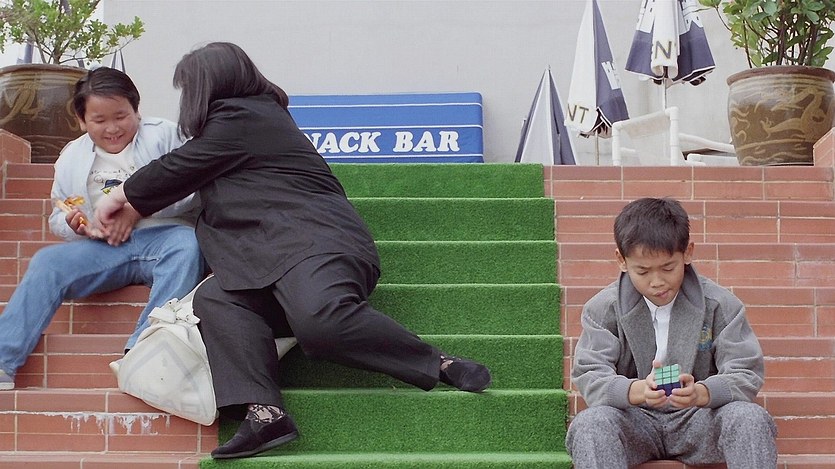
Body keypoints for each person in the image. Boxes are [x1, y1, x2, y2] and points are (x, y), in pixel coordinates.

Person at [94, 42, 492, 460]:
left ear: (208, 86)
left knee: (321, 321)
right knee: (216, 298)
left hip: (316, 244)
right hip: (268, 261)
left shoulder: (248, 114)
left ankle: (439, 363)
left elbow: (179, 166)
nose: (186, 98)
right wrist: (135, 209)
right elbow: (190, 175)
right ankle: (265, 414)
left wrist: (119, 196)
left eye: (188, 88)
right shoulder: (237, 130)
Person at [0, 67, 205, 391]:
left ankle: (143, 353)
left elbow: (195, 190)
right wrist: (76, 226)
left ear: (136, 110)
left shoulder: (166, 135)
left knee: (188, 245)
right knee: (47, 262)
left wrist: (137, 209)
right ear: (82, 120)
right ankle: (3, 360)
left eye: (121, 116)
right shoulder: (71, 156)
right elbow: (58, 213)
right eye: (99, 120)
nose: (112, 128)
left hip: (164, 238)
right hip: (105, 247)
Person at [565, 197, 777, 468]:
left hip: (698, 417)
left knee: (750, 418)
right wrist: (636, 390)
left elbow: (745, 371)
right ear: (621, 260)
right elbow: (590, 372)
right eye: (643, 271)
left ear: (687, 253)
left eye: (668, 268)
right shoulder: (603, 308)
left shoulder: (721, 305)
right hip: (634, 419)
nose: (657, 282)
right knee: (590, 424)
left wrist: (702, 393)